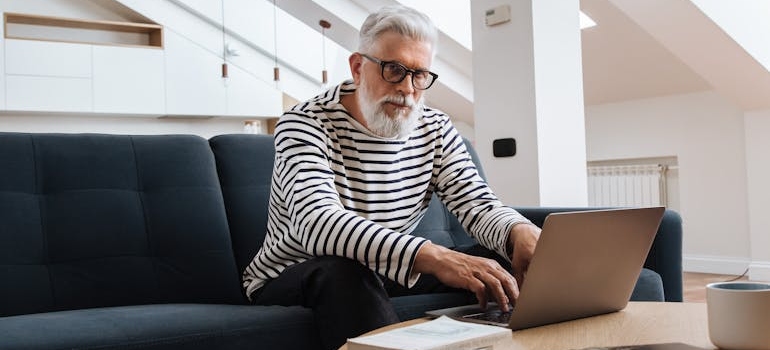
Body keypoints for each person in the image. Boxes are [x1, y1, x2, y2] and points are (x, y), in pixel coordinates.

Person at [243, 4, 542, 349]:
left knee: (508, 260)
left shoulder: (435, 127)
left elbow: (476, 202)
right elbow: (317, 223)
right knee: (344, 270)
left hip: (383, 270)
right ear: (358, 67)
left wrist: (518, 230)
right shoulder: (305, 124)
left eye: (420, 75)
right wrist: (435, 256)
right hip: (297, 273)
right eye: (394, 70)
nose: (408, 89)